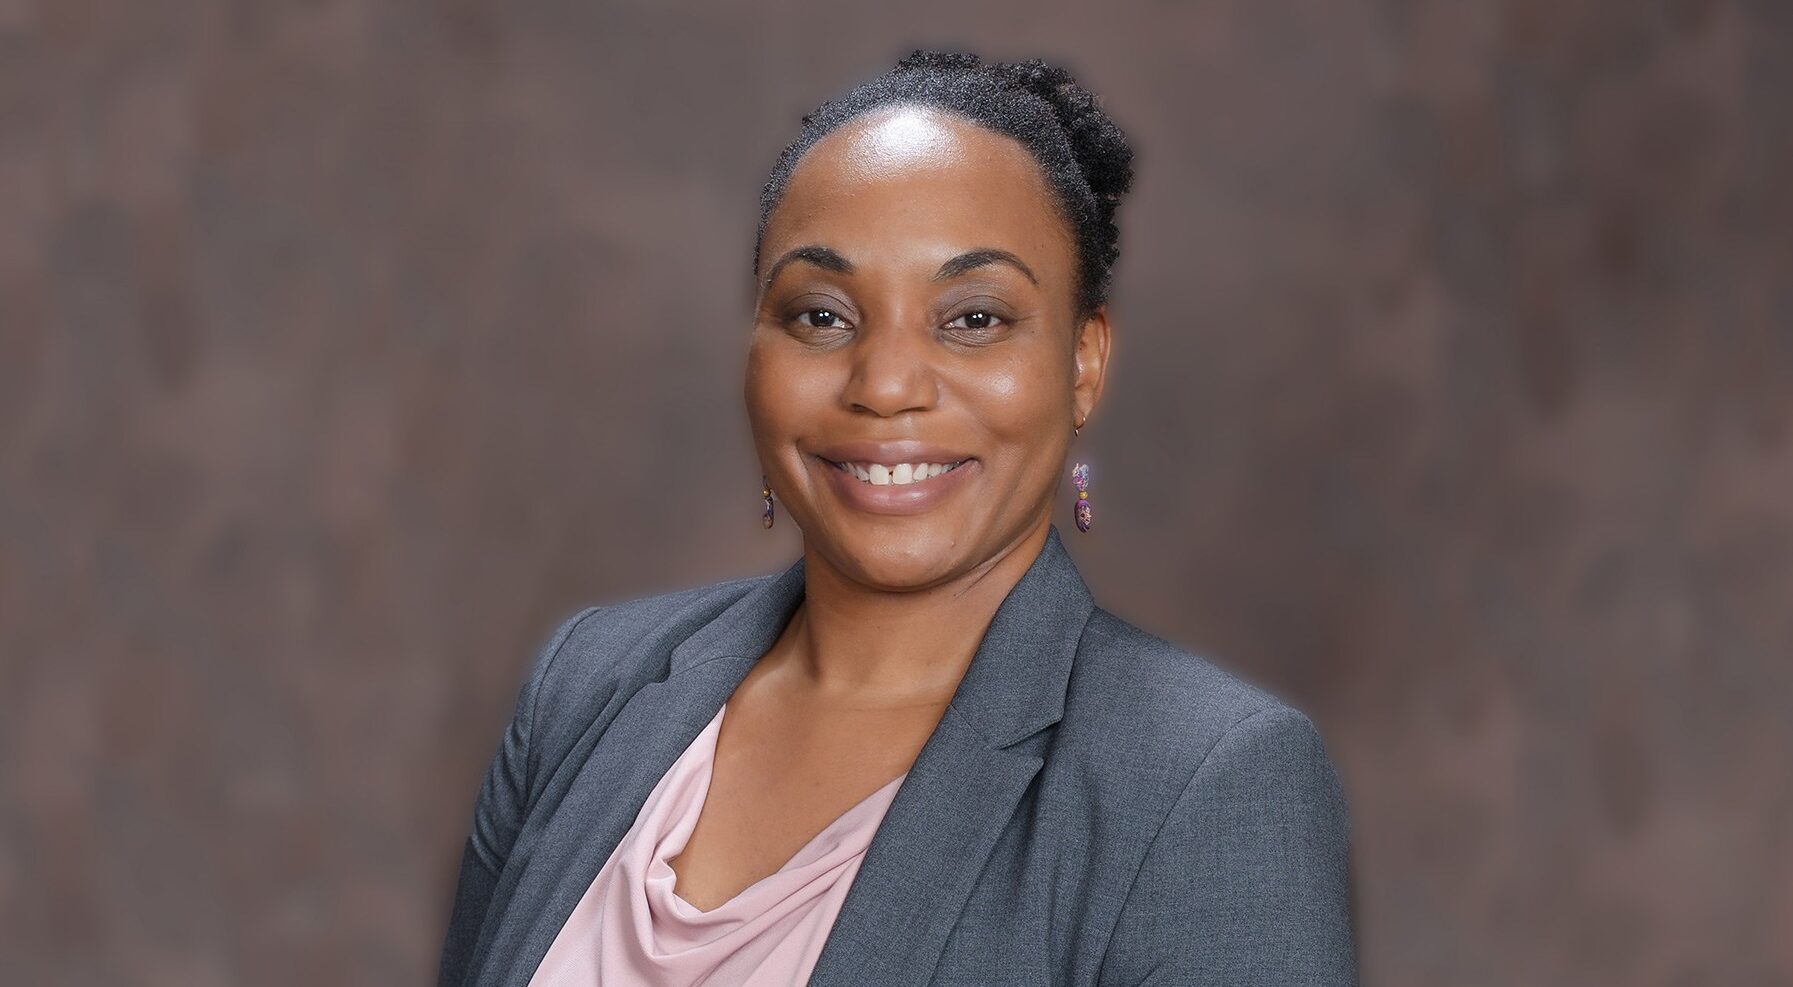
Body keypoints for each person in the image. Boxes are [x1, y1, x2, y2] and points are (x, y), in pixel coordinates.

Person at [438, 49, 1357, 987]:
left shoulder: (1209, 781)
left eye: (972, 318)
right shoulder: (588, 687)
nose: (883, 385)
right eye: (821, 316)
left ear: (1082, 363)